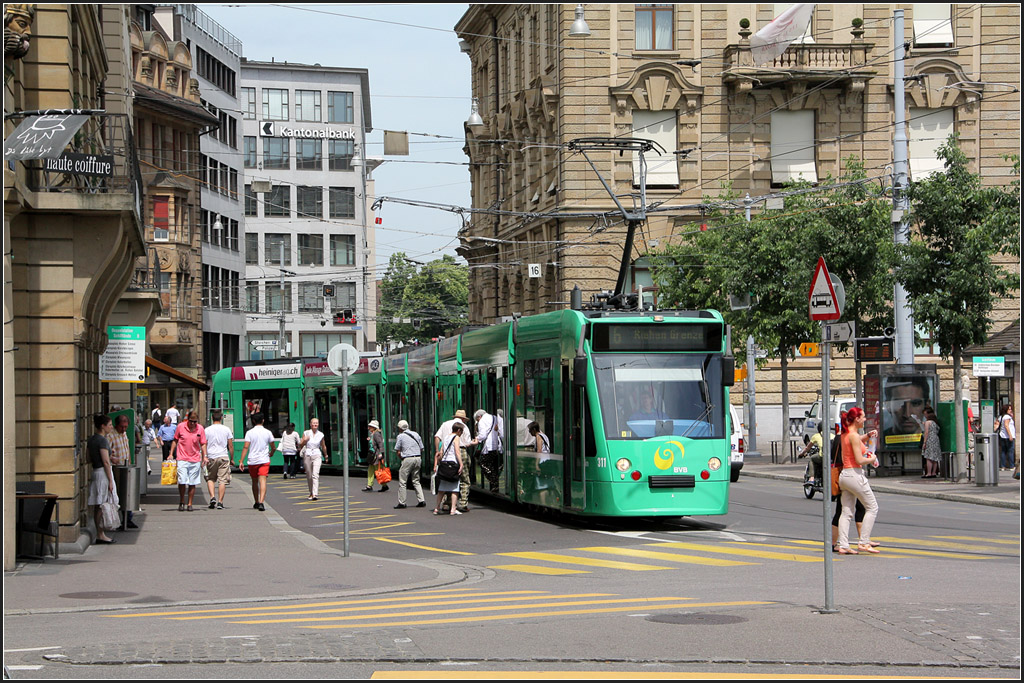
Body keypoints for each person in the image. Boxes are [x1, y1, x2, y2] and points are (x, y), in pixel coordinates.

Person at [836, 407, 881, 555]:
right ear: (856, 419)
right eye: (862, 417)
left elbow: (855, 441)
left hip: (844, 476)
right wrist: (872, 459)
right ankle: (864, 542)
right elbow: (859, 460)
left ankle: (843, 544)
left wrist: (867, 435)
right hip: (854, 475)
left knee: (847, 511)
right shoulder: (853, 436)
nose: (865, 419)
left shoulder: (845, 433)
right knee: (872, 507)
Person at [87, 414, 117, 544]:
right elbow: (105, 462)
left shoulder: (92, 439)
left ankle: (100, 532)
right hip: (103, 473)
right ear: (102, 426)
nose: (111, 427)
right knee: (102, 504)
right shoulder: (103, 440)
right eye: (109, 425)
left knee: (98, 504)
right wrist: (110, 480)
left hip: (95, 471)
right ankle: (100, 533)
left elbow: (88, 458)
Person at [435, 409, 472, 512]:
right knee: (464, 479)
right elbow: (467, 442)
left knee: (447, 476)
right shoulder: (464, 427)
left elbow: (437, 437)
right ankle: (462, 503)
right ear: (463, 419)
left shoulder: (445, 424)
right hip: (460, 451)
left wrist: (437, 451)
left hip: (446, 453)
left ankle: (447, 503)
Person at [170, 410, 207, 512]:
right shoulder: (181, 427)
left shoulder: (200, 429)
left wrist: (205, 456)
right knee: (182, 480)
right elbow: (175, 440)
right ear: (187, 419)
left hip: (195, 458)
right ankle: (182, 500)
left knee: (192, 482)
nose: (192, 424)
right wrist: (170, 454)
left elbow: (203, 443)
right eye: (191, 421)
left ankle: (190, 503)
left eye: (195, 422)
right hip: (182, 458)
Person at [239, 412, 276, 511]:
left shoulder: (249, 433)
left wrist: (241, 461)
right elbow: (273, 446)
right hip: (264, 460)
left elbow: (246, 447)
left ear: (253, 421)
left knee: (254, 481)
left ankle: (256, 501)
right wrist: (272, 452)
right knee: (263, 481)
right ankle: (261, 502)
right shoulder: (268, 432)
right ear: (263, 420)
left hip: (253, 461)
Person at [108, 414, 138, 529]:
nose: (124, 429)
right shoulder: (111, 436)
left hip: (125, 467)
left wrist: (130, 462)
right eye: (122, 427)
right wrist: (111, 458)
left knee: (128, 493)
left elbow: (127, 448)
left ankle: (128, 518)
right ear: (117, 425)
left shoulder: (124, 434)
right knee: (120, 494)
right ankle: (122, 518)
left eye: (126, 427)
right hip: (116, 468)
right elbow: (106, 452)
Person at [882, 377, 929, 446]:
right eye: (899, 404)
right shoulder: (878, 441)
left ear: (927, 406)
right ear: (888, 406)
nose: (907, 414)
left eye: (915, 403)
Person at [434, 420, 465, 515]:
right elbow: (457, 452)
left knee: (442, 489)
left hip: (444, 464)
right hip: (453, 464)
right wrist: (461, 464)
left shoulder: (446, 437)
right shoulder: (456, 438)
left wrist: (436, 464)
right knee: (455, 489)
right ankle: (453, 509)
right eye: (462, 432)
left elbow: (441, 451)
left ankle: (436, 508)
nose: (461, 433)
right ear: (459, 430)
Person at [204, 409, 234, 510]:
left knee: (210, 479)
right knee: (222, 480)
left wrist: (204, 456)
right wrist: (232, 458)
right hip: (223, 457)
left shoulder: (207, 430)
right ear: (221, 418)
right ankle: (220, 502)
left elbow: (204, 444)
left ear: (212, 418)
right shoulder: (226, 429)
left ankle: (212, 497)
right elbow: (230, 445)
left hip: (211, 457)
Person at [393, 419, 426, 509]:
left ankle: (402, 502)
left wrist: (402, 459)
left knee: (403, 481)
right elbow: (421, 448)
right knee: (416, 480)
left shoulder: (400, 436)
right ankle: (421, 500)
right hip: (418, 458)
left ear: (400, 428)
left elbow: (398, 451)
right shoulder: (416, 434)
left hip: (408, 458)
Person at [472, 409, 503, 493]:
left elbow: (483, 434)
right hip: (498, 446)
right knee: (495, 464)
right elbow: (502, 433)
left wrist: (476, 439)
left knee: (483, 463)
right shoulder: (496, 417)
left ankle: (495, 482)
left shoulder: (482, 421)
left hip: (490, 447)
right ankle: (496, 482)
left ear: (479, 417)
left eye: (477, 420)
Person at [299, 417, 328, 500]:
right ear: (310, 424)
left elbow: (323, 446)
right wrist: (304, 440)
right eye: (313, 423)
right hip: (307, 454)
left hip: (317, 454)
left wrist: (325, 455)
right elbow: (300, 445)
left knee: (315, 474)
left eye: (316, 423)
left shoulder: (321, 434)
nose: (315, 424)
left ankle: (315, 494)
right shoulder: (306, 433)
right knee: (309, 475)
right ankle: (311, 492)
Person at [363, 420, 388, 493]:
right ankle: (369, 485)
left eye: (370, 426)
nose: (368, 428)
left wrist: (381, 453)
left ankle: (384, 485)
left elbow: (380, 444)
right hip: (372, 455)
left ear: (374, 427)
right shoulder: (373, 434)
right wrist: (370, 440)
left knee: (378, 471)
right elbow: (374, 443)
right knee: (371, 470)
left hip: (376, 456)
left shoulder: (376, 434)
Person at [921, 406, 941, 478]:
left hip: (929, 439)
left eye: (925, 414)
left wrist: (924, 442)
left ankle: (928, 473)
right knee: (935, 457)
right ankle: (933, 473)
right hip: (936, 439)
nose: (924, 416)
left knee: (928, 457)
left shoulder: (927, 422)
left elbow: (926, 432)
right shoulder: (935, 422)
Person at [995, 404, 1016, 472]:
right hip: (1007, 436)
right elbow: (1007, 426)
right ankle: (1011, 466)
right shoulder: (1007, 417)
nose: (1011, 410)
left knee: (1003, 451)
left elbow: (996, 425)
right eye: (1009, 409)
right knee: (1010, 451)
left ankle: (1002, 466)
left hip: (1002, 436)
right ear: (1006, 409)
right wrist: (1010, 435)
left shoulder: (1001, 417)